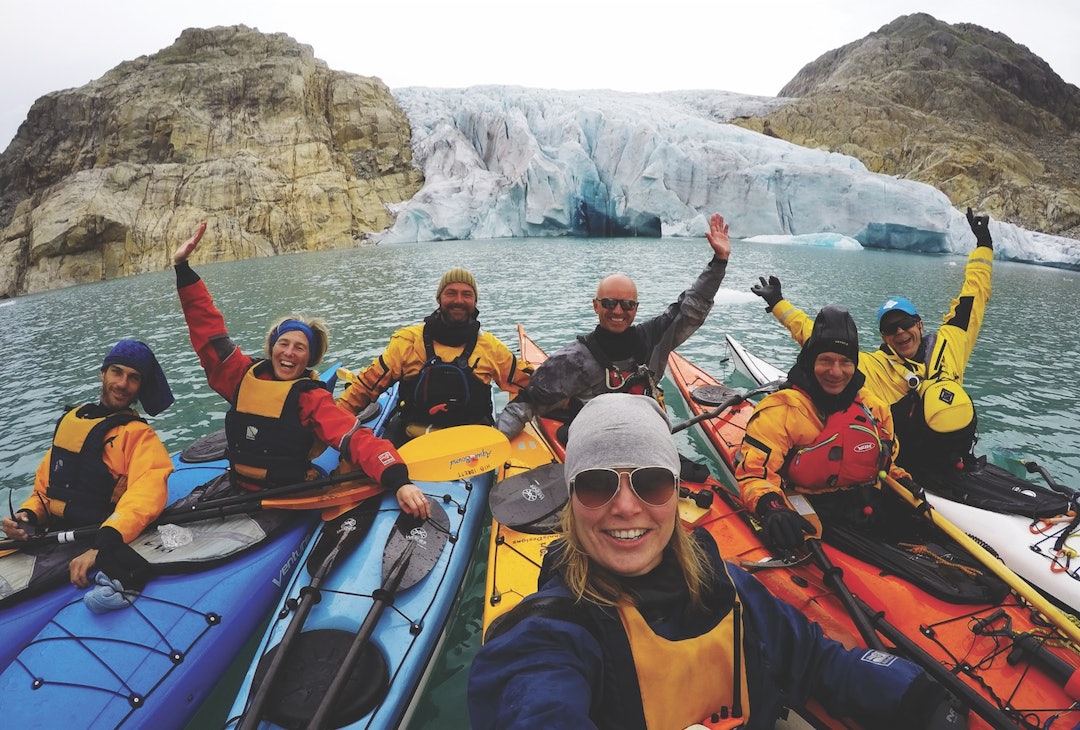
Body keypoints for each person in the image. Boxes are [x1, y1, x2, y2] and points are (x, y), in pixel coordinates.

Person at [469, 393, 965, 729]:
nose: (625, 506)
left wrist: (915, 695)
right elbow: (535, 703)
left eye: (650, 481)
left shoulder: (727, 586)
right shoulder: (545, 637)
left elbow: (814, 660)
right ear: (571, 502)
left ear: (676, 493)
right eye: (598, 483)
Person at [172, 222, 428, 519]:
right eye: (283, 343)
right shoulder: (242, 376)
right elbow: (208, 332)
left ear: (309, 359)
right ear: (271, 348)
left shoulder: (310, 399)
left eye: (299, 348)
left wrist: (398, 480)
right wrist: (183, 270)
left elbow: (356, 440)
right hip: (236, 487)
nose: (289, 353)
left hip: (286, 495)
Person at [751, 207, 993, 474]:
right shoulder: (873, 366)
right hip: (910, 464)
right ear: (883, 337)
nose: (900, 333)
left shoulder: (952, 341)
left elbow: (974, 295)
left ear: (920, 324)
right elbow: (816, 336)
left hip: (956, 454)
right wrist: (777, 303)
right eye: (891, 329)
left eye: (905, 324)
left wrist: (984, 245)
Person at [495, 212, 733, 440]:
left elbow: (690, 309)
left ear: (636, 308)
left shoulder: (653, 339)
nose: (618, 311)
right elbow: (525, 404)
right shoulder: (570, 360)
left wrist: (719, 262)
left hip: (645, 435)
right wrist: (491, 447)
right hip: (593, 442)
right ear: (595, 306)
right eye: (609, 303)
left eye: (627, 305)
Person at [734, 306, 911, 551]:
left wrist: (902, 480)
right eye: (826, 360)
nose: (836, 372)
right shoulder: (782, 409)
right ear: (810, 361)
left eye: (845, 362)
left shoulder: (874, 408)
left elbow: (887, 463)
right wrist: (772, 508)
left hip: (866, 506)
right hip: (810, 508)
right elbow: (754, 476)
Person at [2, 340, 175, 588]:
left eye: (133, 378)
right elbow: (44, 491)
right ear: (103, 373)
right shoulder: (71, 423)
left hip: (99, 536)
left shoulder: (138, 436)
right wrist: (27, 516)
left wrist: (104, 544)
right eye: (117, 372)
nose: (123, 384)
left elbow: (147, 493)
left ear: (140, 388)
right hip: (54, 534)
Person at [337, 267, 531, 446]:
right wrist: (333, 422)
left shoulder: (491, 348)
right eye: (450, 293)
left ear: (475, 302)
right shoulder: (408, 342)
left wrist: (506, 427)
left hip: (471, 443)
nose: (459, 300)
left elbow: (530, 386)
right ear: (438, 299)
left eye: (467, 294)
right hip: (413, 439)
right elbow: (365, 387)